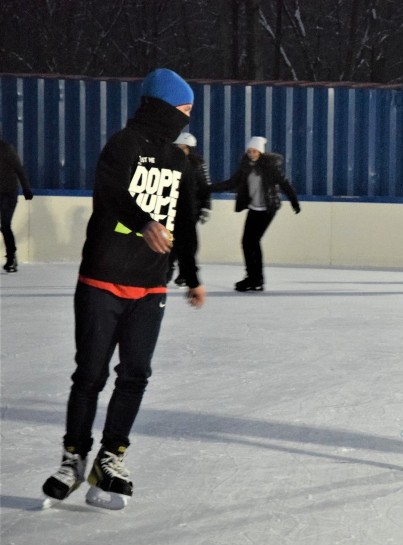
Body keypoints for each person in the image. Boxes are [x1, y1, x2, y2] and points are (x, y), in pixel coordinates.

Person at [41, 68, 206, 510]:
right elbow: (110, 194)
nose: (187, 118)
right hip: (102, 279)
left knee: (135, 375)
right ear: (161, 105)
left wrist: (191, 274)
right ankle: (73, 459)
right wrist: (144, 222)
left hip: (150, 286)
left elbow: (184, 220)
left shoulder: (179, 160)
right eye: (184, 109)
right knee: (90, 375)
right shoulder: (123, 144)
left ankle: (111, 458)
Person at [210, 136, 300, 292]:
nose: (252, 154)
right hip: (254, 208)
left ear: (260, 152)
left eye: (255, 151)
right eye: (249, 151)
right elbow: (231, 183)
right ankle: (252, 277)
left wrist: (294, 201)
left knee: (253, 241)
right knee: (247, 242)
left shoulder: (270, 167)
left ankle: (256, 279)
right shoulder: (245, 167)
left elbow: (284, 183)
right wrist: (208, 188)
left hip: (267, 209)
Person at [170, 131, 212, 287]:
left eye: (184, 148)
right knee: (170, 242)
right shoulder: (170, 163)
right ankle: (167, 270)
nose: (181, 151)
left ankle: (184, 273)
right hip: (172, 209)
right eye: (178, 147)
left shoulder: (198, 165)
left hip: (190, 210)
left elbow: (205, 187)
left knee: (187, 244)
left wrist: (206, 208)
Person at [0, 138, 33, 272]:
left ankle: (11, 257)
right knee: (5, 226)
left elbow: (19, 169)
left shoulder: (6, 149)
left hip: (9, 193)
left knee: (6, 225)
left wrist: (26, 189)